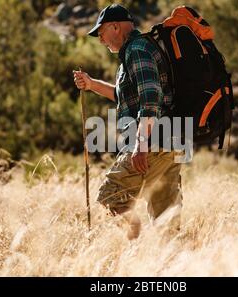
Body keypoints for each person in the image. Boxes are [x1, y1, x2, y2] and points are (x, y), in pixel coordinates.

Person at [73, 4, 182, 240]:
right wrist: (92, 85)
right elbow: (124, 97)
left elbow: (151, 98)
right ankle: (175, 267)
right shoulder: (137, 52)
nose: (101, 41)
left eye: (100, 33)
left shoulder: (137, 50)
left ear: (114, 26)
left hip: (152, 144)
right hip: (170, 143)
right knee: (167, 220)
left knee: (110, 197)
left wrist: (140, 145)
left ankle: (133, 250)